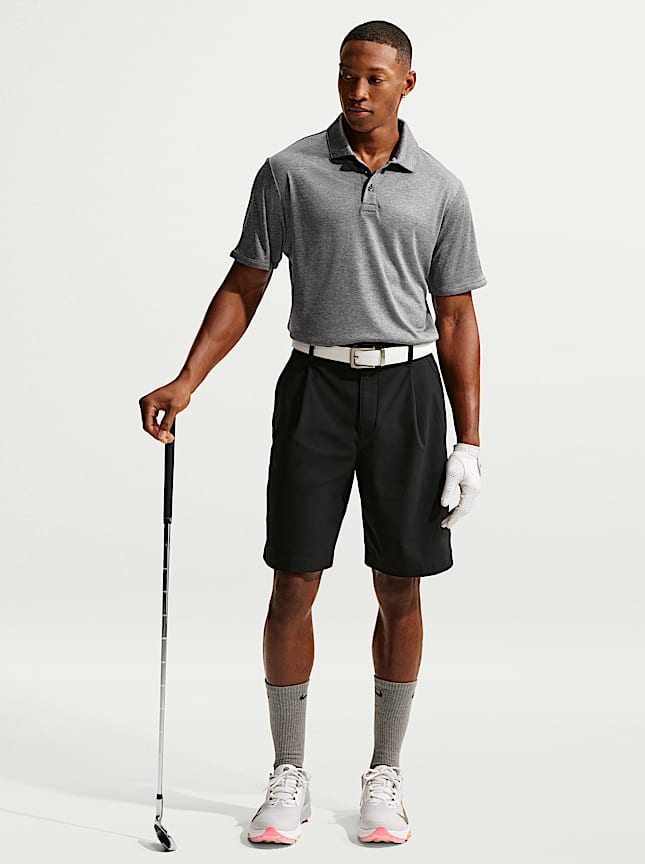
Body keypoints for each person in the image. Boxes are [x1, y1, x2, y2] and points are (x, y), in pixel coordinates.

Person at [139, 19, 486, 845]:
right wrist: (187, 380)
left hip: (407, 392)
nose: (357, 92)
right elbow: (245, 286)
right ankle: (287, 773)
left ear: (406, 83)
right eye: (345, 76)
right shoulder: (290, 171)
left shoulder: (441, 188)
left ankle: (384, 774)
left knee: (400, 585)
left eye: (373, 78)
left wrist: (469, 442)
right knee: (293, 580)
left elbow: (456, 315)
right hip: (315, 388)